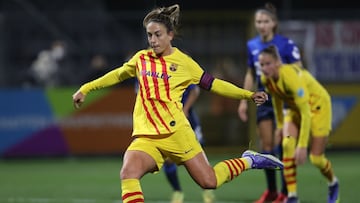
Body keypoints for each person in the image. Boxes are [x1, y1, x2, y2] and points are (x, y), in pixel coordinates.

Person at [72, 4, 283, 202]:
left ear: (170, 35)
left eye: (158, 34)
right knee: (128, 172)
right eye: (149, 35)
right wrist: (86, 88)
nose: (153, 40)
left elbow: (214, 84)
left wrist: (247, 95)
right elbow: (116, 75)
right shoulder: (141, 59)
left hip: (177, 134)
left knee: (209, 181)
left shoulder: (184, 63)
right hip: (147, 136)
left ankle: (249, 160)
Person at [237, 3, 302, 203]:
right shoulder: (252, 45)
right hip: (264, 100)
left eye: (266, 21)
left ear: (274, 23)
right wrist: (244, 99)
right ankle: (272, 191)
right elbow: (250, 73)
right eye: (258, 21)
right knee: (266, 146)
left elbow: (299, 70)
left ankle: (286, 193)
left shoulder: (286, 44)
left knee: (285, 146)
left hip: (284, 99)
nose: (262, 25)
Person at [258, 45, 340, 203]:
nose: (264, 68)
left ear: (277, 63)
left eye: (268, 64)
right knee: (287, 144)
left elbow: (306, 113)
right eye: (262, 65)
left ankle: (333, 183)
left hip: (317, 108)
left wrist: (302, 146)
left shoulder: (290, 78)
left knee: (316, 159)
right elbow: (276, 100)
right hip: (295, 109)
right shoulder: (265, 79)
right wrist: (280, 126)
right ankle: (292, 196)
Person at [164, 84, 215, 203]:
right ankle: (177, 191)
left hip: (188, 119)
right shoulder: (156, 73)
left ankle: (207, 190)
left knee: (199, 155)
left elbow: (195, 90)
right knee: (168, 158)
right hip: (168, 121)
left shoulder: (180, 68)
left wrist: (185, 108)